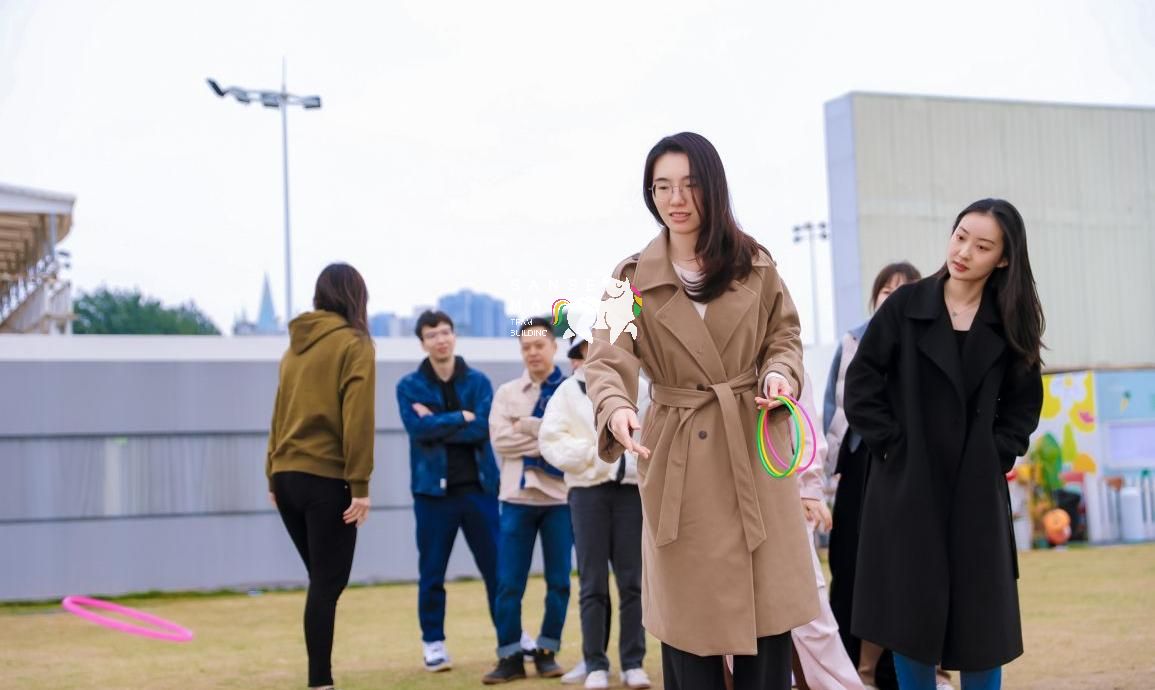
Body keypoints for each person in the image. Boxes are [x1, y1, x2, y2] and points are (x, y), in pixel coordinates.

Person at [584, 132, 819, 690]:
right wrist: (616, 407)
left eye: (689, 184)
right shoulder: (628, 278)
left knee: (768, 620)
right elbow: (607, 357)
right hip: (678, 456)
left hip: (752, 443)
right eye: (661, 187)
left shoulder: (754, 263)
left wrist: (779, 373)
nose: (675, 199)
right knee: (688, 629)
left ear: (713, 187)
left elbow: (784, 336)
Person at [845, 198, 1045, 690]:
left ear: (1003, 259)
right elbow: (862, 385)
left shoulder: (1011, 320)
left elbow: (1023, 404)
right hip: (907, 486)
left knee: (982, 622)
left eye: (982, 246)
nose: (963, 252)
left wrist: (995, 453)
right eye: (960, 236)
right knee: (909, 619)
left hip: (976, 490)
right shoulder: (904, 307)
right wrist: (893, 448)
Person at [266, 263, 376, 690]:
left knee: (322, 581)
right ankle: (320, 682)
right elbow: (358, 416)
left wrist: (272, 474)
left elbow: (278, 413)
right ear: (355, 296)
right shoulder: (354, 343)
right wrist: (360, 485)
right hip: (325, 479)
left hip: (286, 476)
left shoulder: (293, 349)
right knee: (328, 583)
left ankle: (320, 680)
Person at [823, 261, 921, 690]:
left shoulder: (926, 339)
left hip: (909, 466)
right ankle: (847, 667)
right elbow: (835, 406)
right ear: (874, 297)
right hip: (860, 460)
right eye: (886, 291)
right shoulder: (854, 339)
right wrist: (828, 471)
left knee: (905, 570)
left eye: (904, 290)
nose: (893, 298)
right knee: (850, 566)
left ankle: (901, 670)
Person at [539, 337, 652, 689]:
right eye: (587, 348)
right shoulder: (567, 392)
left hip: (631, 493)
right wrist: (596, 454)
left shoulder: (641, 388)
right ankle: (595, 663)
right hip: (587, 494)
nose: (597, 352)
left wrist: (631, 461)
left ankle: (633, 662)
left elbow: (655, 433)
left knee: (633, 582)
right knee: (592, 582)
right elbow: (551, 440)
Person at [396, 310, 501, 673]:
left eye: (445, 332)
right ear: (422, 343)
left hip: (480, 490)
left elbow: (483, 428)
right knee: (432, 572)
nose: (440, 340)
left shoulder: (479, 382)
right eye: (432, 335)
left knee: (497, 570)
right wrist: (460, 417)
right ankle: (433, 644)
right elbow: (418, 430)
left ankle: (510, 637)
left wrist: (437, 421)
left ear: (454, 336)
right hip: (432, 495)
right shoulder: (409, 386)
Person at [483, 316, 573, 684]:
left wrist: (526, 427)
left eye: (539, 345)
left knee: (560, 582)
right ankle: (509, 656)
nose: (533, 352)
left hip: (560, 500)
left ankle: (548, 651)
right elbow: (501, 442)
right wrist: (546, 436)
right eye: (526, 347)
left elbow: (575, 441)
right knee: (508, 583)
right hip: (516, 498)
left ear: (554, 346)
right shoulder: (507, 393)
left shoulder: (569, 392)